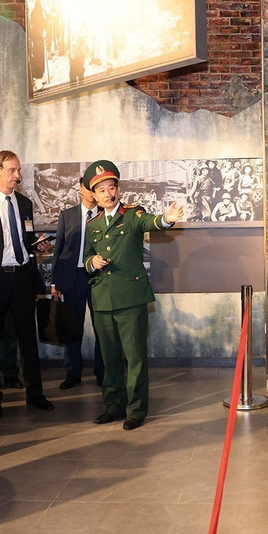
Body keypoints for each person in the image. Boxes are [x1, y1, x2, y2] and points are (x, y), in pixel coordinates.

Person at [83, 160, 183, 430]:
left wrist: (167, 219)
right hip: (103, 298)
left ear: (118, 189)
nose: (107, 194)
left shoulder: (133, 215)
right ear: (94, 194)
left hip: (130, 298)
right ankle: (114, 405)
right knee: (109, 358)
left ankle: (136, 410)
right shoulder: (92, 225)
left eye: (111, 187)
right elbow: (85, 259)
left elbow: (154, 222)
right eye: (101, 190)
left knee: (135, 357)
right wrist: (93, 262)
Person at [0, 150, 53, 420]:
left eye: (18, 170)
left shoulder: (25, 204)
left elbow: (23, 240)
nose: (18, 175)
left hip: (22, 278)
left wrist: (37, 246)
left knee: (28, 340)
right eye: (12, 170)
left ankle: (35, 394)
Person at [49, 176, 104, 390]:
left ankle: (102, 370)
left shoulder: (104, 214)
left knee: (102, 327)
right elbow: (59, 250)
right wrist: (54, 281)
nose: (91, 191)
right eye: (87, 187)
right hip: (72, 278)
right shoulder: (67, 215)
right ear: (80, 190)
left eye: (94, 187)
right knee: (72, 326)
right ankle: (73, 372)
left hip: (99, 277)